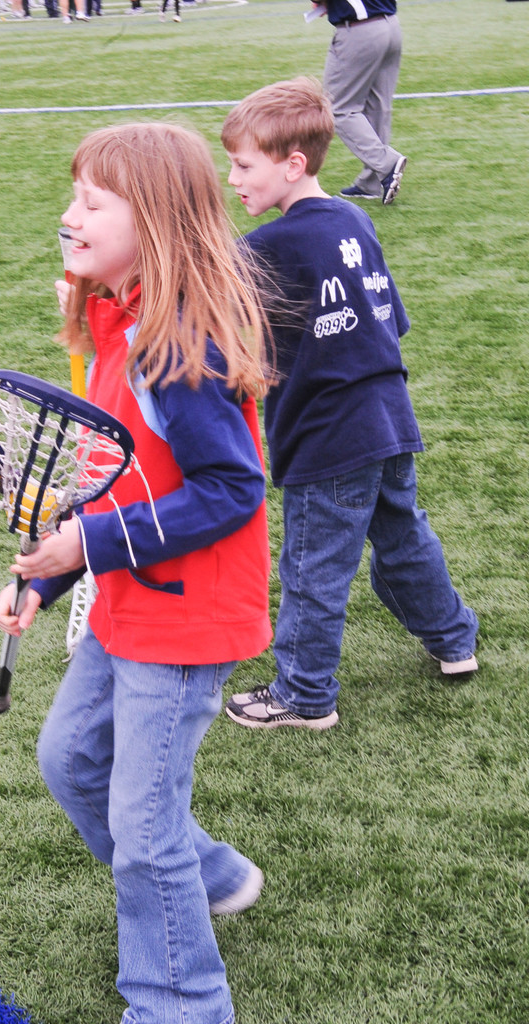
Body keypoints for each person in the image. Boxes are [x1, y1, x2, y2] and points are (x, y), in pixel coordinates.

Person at [0, 122, 273, 1024]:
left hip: (186, 619)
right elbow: (115, 487)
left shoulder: (172, 344)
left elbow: (232, 491)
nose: (68, 217)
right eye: (72, 194)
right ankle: (219, 875)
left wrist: (87, 547)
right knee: (71, 757)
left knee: (145, 837)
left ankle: (181, 1005)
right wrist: (47, 577)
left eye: (91, 202)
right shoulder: (118, 324)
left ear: (150, 222)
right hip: (129, 603)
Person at [220, 77, 478, 731]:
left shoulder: (269, 247)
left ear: (292, 163)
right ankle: (454, 640)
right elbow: (392, 321)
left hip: (330, 435)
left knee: (314, 566)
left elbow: (210, 315)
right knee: (402, 537)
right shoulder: (353, 219)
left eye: (244, 165)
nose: (233, 179)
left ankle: (305, 695)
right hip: (389, 418)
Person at [310, 1, 407, 204]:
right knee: (377, 107)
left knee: (336, 109)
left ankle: (386, 164)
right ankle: (372, 182)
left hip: (359, 31)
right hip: (390, 25)